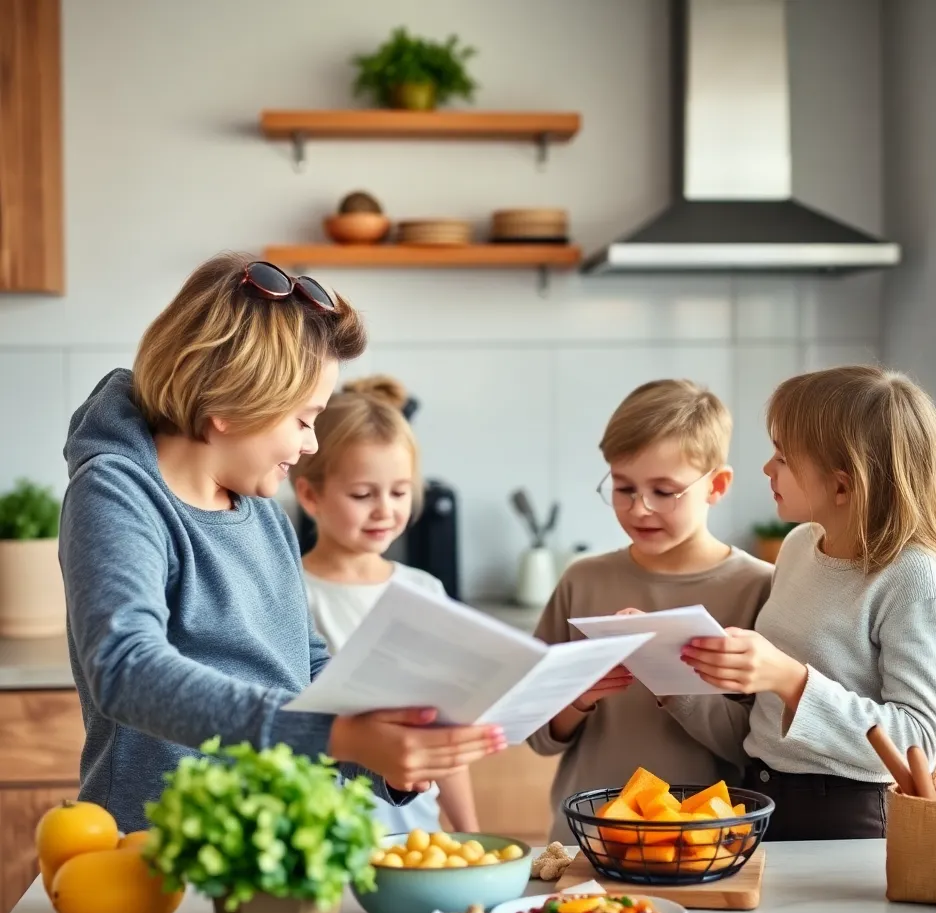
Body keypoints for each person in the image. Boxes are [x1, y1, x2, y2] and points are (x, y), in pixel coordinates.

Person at [58, 254, 504, 832]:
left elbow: (303, 663)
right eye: (303, 419)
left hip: (286, 836)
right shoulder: (117, 493)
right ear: (230, 404)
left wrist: (380, 752)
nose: (312, 443)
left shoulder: (261, 507)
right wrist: (338, 733)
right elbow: (128, 670)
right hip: (159, 843)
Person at [682, 366, 936, 840]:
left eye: (783, 457)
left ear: (842, 485)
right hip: (761, 794)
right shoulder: (798, 545)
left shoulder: (914, 578)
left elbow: (918, 742)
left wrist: (791, 680)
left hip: (846, 816)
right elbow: (769, 710)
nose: (768, 469)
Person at [526, 379, 773, 844]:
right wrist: (578, 696)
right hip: (588, 839)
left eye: (664, 491)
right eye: (624, 488)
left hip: (704, 846)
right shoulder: (582, 580)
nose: (640, 509)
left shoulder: (759, 587)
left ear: (717, 485)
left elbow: (754, 749)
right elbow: (536, 734)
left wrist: (669, 677)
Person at [289, 374, 479, 836]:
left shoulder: (425, 591)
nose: (384, 510)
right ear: (310, 495)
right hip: (320, 835)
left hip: (416, 832)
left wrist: (471, 833)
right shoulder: (291, 591)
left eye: (399, 492)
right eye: (362, 494)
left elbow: (442, 735)